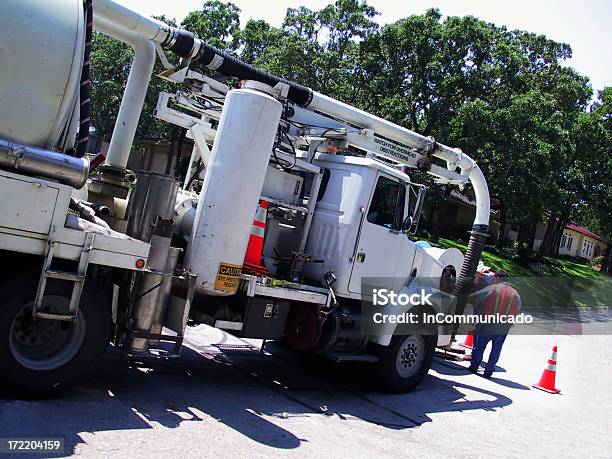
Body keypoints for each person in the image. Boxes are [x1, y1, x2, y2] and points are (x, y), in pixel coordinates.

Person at [468, 267, 521, 378]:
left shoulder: (491, 289)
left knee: (479, 346)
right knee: (496, 349)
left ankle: (474, 366)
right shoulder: (515, 294)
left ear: (496, 278)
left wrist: (476, 319)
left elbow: (479, 304)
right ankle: (489, 371)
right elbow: (517, 309)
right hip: (504, 327)